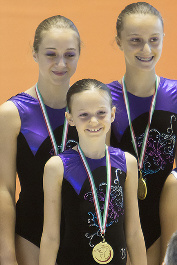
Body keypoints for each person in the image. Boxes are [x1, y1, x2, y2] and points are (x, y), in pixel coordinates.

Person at [39, 78, 147, 265]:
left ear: (112, 114)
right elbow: (50, 236)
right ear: (70, 118)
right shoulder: (57, 167)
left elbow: (134, 232)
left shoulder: (127, 162)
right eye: (84, 115)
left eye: (101, 113)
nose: (94, 121)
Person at [0, 15, 80, 265]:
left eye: (69, 54)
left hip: (80, 237)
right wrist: (6, 253)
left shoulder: (89, 111)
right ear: (35, 53)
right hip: (30, 236)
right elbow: (4, 189)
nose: (60, 63)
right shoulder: (12, 114)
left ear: (79, 54)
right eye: (50, 54)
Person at [106, 2, 177, 265]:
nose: (146, 49)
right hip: (119, 222)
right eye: (135, 40)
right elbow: (97, 170)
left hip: (167, 220)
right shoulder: (103, 100)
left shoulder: (175, 95)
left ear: (163, 40)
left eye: (154, 40)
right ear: (119, 41)